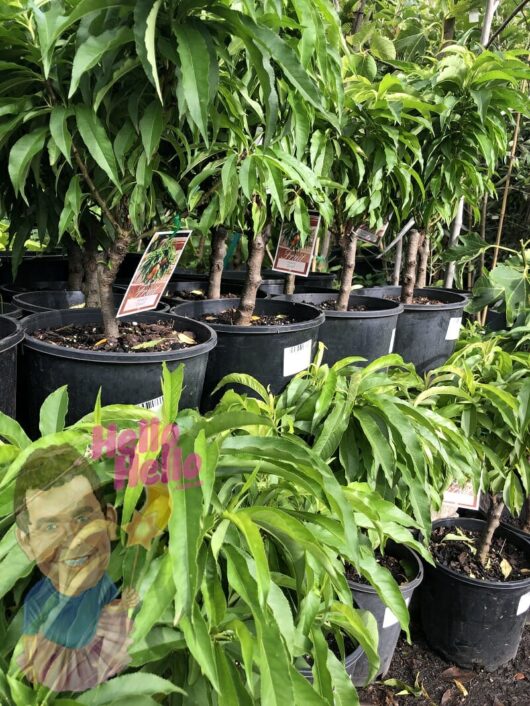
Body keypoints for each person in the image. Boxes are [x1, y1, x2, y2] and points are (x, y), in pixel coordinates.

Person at [14, 444, 138, 693]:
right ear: (26, 542)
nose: (73, 540)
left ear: (109, 520)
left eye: (82, 518)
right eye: (50, 527)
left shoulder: (106, 583)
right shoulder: (38, 602)